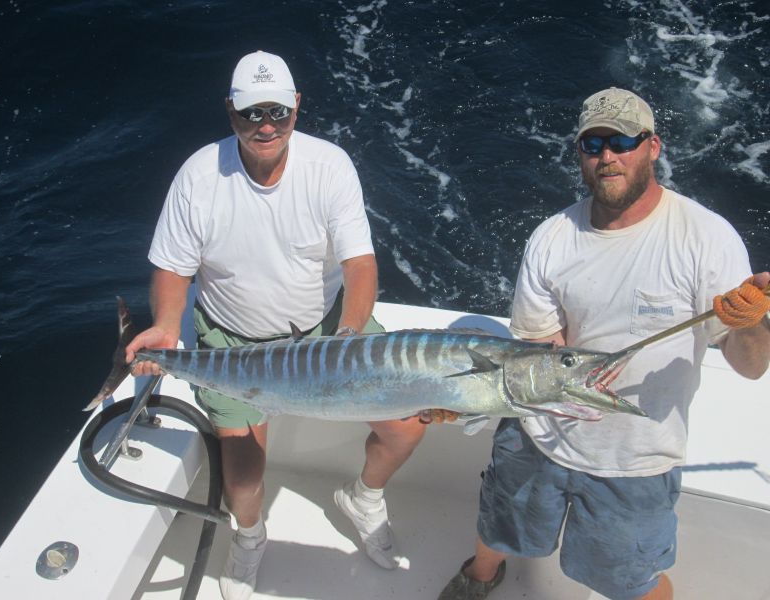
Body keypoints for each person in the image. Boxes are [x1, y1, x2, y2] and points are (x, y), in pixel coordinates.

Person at [438, 87, 770, 600]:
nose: (607, 156)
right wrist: (460, 402)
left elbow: (750, 369)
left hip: (636, 461)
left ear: (653, 147)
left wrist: (750, 324)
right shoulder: (552, 237)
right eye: (593, 144)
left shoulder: (707, 239)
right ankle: (480, 575)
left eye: (621, 141)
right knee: (499, 525)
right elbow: (536, 347)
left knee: (630, 582)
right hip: (537, 433)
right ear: (580, 154)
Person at [125, 50, 427, 600]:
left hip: (331, 334)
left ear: (296, 109)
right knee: (242, 475)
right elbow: (172, 268)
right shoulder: (198, 176)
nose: (265, 126)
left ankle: (363, 498)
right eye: (251, 114)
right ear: (230, 113)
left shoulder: (329, 165)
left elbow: (360, 265)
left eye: (278, 114)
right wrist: (168, 325)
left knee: (406, 426)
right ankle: (250, 536)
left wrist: (350, 336)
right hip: (233, 346)